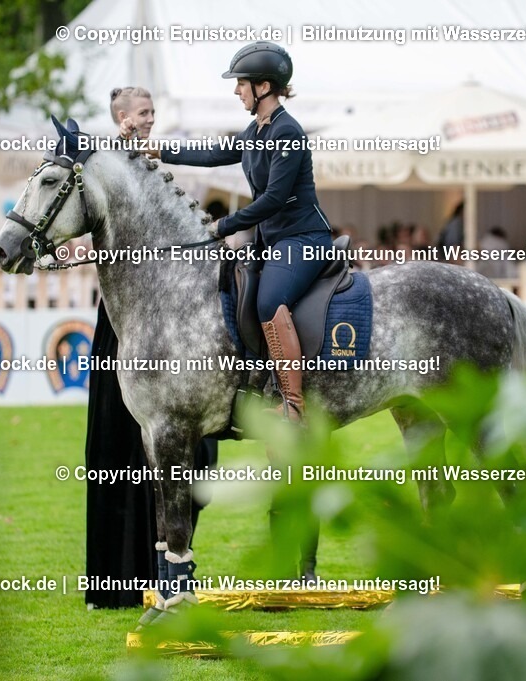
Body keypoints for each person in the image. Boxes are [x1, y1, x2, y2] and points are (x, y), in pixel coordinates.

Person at [157, 42, 326, 580]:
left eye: (240, 82)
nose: (235, 90)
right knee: (235, 290)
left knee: (268, 300)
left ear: (264, 86)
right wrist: (162, 154)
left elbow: (276, 200)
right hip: (270, 239)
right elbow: (213, 156)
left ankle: (292, 401)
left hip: (302, 238)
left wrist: (224, 226)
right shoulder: (255, 131)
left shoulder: (288, 133)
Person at [85, 86, 218, 609]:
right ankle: (120, 580)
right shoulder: (108, 163)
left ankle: (169, 570)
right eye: (141, 114)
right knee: (123, 450)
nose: (149, 121)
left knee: (184, 456)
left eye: (152, 114)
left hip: (174, 317)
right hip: (133, 320)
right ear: (120, 119)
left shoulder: (153, 165)